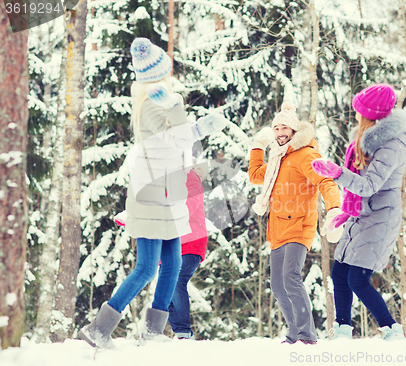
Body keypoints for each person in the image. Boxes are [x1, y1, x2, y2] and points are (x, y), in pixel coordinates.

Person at [79, 37, 226, 349]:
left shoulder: (161, 100)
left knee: (171, 265)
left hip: (168, 196)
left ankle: (152, 332)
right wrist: (195, 124)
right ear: (157, 74)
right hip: (151, 195)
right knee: (147, 267)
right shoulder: (148, 104)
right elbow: (175, 139)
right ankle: (99, 330)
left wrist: (178, 109)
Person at [311, 83, 406, 341]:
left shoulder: (391, 146)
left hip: (380, 217)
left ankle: (392, 329)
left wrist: (336, 173)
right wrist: (346, 204)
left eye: (360, 110)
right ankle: (342, 330)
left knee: (358, 278)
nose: (356, 114)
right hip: (362, 214)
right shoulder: (369, 140)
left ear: (371, 114)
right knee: (339, 272)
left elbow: (369, 185)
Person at [249, 102, 341, 345]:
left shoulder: (306, 154)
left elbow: (326, 181)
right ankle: (293, 334)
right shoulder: (278, 158)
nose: (280, 132)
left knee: (290, 276)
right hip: (277, 227)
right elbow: (255, 174)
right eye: (276, 128)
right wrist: (258, 145)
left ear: (294, 131)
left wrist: (333, 209)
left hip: (300, 226)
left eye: (284, 128)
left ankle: (306, 336)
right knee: (278, 286)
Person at [168, 168, 208, 340]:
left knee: (177, 279)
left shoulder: (189, 176)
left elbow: (189, 205)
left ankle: (184, 331)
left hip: (191, 240)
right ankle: (179, 332)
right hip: (171, 243)